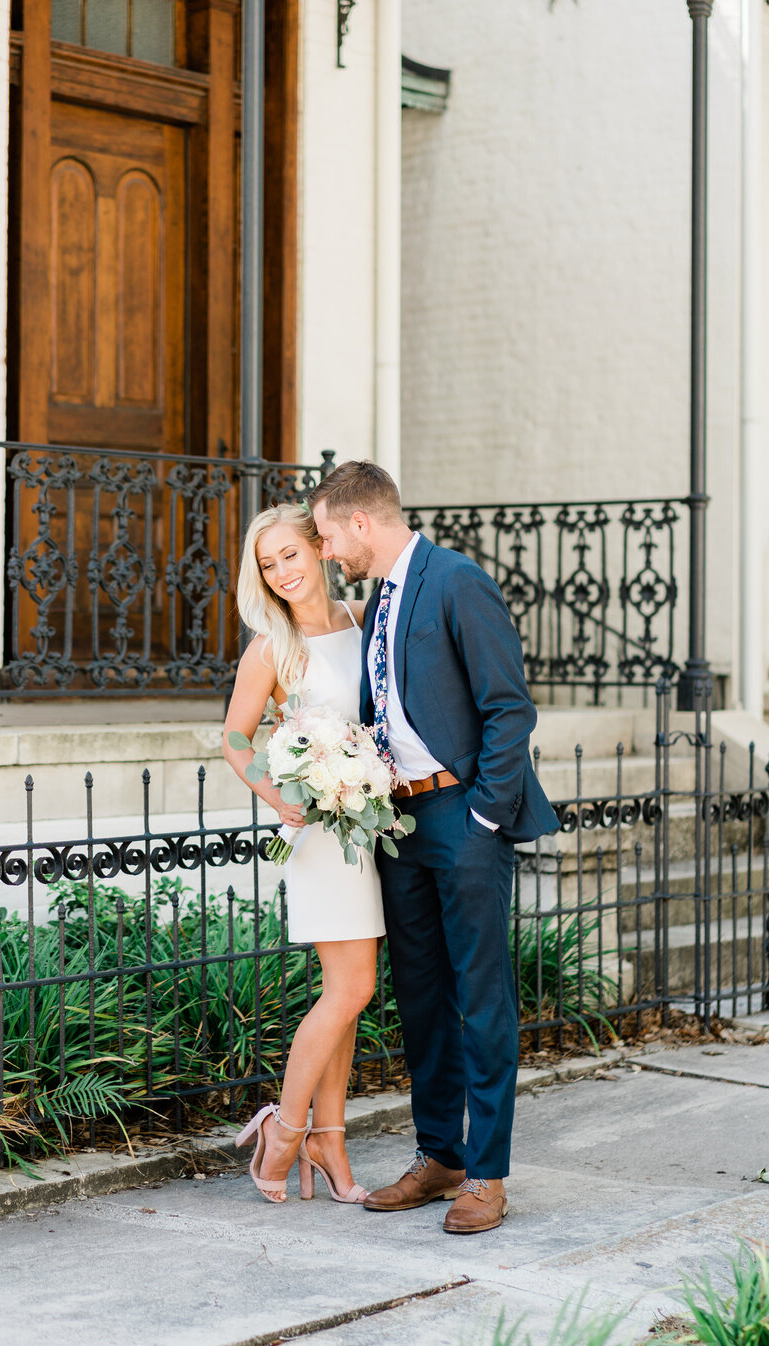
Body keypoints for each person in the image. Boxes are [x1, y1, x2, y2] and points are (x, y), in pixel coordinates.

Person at [310, 460, 558, 1235]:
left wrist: (485, 815)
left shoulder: (455, 581)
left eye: (324, 537)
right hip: (399, 826)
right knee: (421, 998)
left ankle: (486, 1173)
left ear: (360, 522)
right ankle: (440, 1155)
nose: (325, 555)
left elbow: (508, 708)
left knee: (480, 997)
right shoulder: (379, 596)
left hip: (462, 818)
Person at [223, 502, 384, 1205]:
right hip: (321, 833)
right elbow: (234, 738)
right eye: (268, 564)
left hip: (371, 822)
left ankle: (330, 1139)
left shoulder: (360, 619)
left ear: (318, 549)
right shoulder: (271, 647)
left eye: (289, 554)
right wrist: (277, 798)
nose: (282, 572)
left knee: (345, 997)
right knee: (353, 989)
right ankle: (286, 1130)